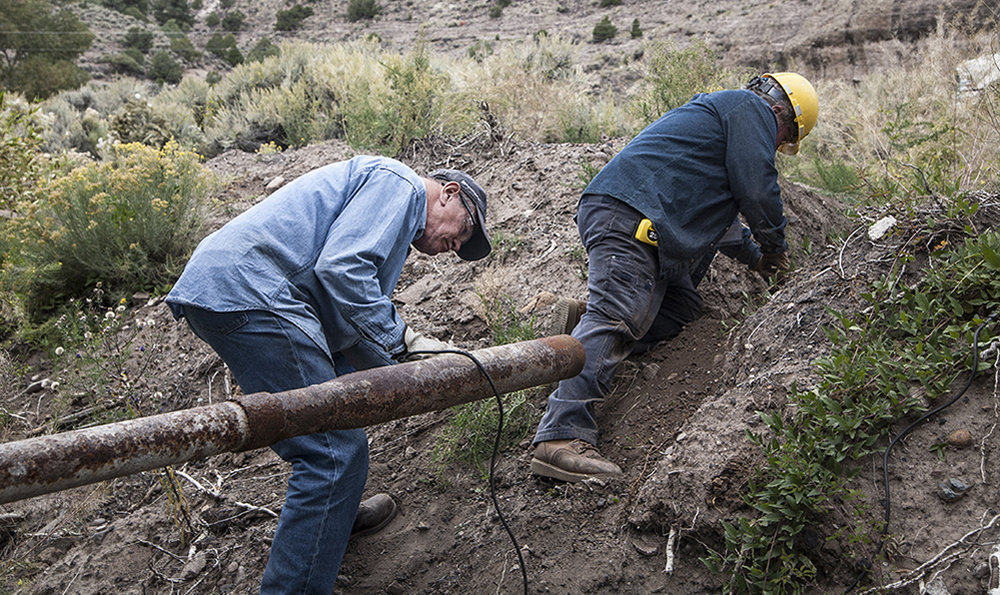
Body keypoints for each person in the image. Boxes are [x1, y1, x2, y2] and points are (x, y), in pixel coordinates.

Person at [165, 155, 491, 594]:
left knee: (338, 414)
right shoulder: (402, 186)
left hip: (232, 286)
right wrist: (405, 341)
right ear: (448, 194)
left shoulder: (384, 201)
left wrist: (409, 369)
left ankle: (329, 524)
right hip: (254, 290)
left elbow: (343, 316)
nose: (456, 246)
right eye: (464, 230)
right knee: (332, 452)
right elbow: (342, 269)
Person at [530, 72, 819, 483]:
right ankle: (559, 438)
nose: (776, 148)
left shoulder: (717, 136)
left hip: (642, 223)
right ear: (780, 113)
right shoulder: (747, 108)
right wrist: (776, 248)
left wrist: (758, 259)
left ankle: (579, 328)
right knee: (616, 316)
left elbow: (728, 229)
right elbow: (757, 192)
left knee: (680, 308)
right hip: (630, 216)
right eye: (783, 139)